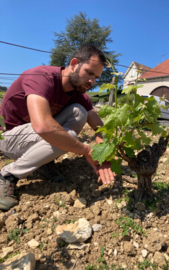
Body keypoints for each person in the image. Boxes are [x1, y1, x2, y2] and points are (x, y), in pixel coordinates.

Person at [0, 44, 116, 211]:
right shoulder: (42, 77)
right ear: (74, 63)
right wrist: (86, 150)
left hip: (33, 136)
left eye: (96, 77)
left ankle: (43, 160)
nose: (92, 81)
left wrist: (103, 149)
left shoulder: (78, 92)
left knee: (79, 111)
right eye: (90, 73)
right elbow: (43, 126)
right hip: (9, 138)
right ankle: (8, 175)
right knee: (68, 136)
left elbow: (97, 124)